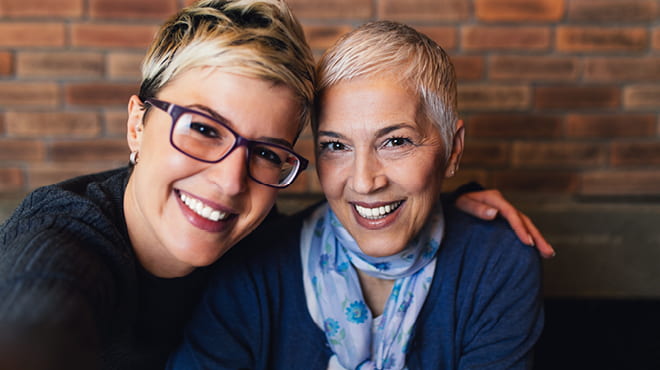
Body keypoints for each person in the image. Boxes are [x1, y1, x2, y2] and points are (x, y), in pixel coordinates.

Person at [0, 1, 549, 369]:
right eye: (204, 130)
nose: (229, 181)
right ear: (137, 124)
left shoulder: (256, 240)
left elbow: (376, 203)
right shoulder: (61, 239)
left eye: (265, 152)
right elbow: (39, 313)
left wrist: (444, 200)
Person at [168, 20, 544, 369]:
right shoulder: (253, 268)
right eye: (336, 146)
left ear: (453, 151)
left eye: (396, 141)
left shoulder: (496, 262)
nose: (364, 182)